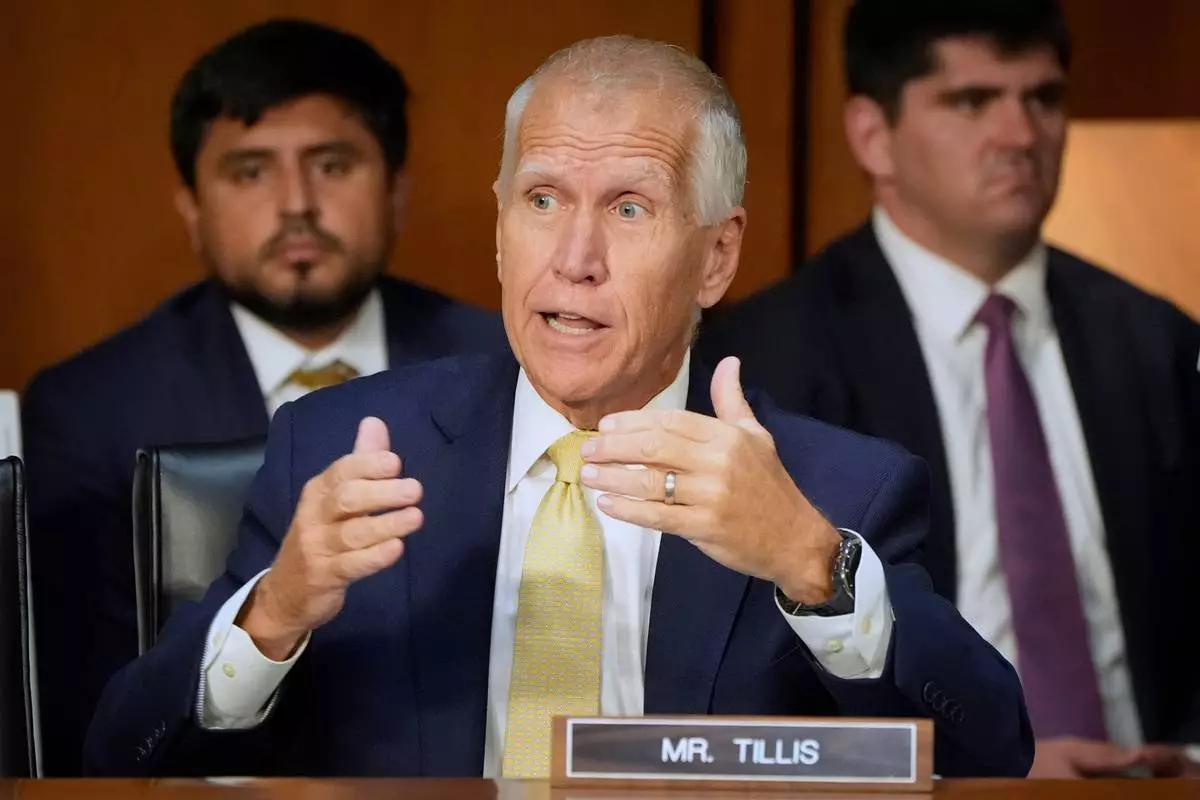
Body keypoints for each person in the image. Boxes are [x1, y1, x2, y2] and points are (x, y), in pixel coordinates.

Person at [84, 35, 1032, 780]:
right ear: (501, 232)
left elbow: (990, 754)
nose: (574, 258)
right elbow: (120, 756)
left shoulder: (832, 490)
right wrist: (276, 613)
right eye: (542, 200)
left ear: (717, 256)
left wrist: (814, 566)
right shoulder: (338, 449)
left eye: (628, 208)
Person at [701, 0, 1200, 779]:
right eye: (972, 101)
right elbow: (748, 683)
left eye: (1043, 97)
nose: (1020, 134)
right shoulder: (763, 361)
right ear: (873, 135)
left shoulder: (1156, 340)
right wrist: (975, 769)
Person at [22, 18, 504, 776]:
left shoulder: (508, 366)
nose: (296, 204)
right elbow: (92, 727)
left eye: (333, 165)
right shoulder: (89, 412)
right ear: (190, 207)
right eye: (250, 172)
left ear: (396, 189)